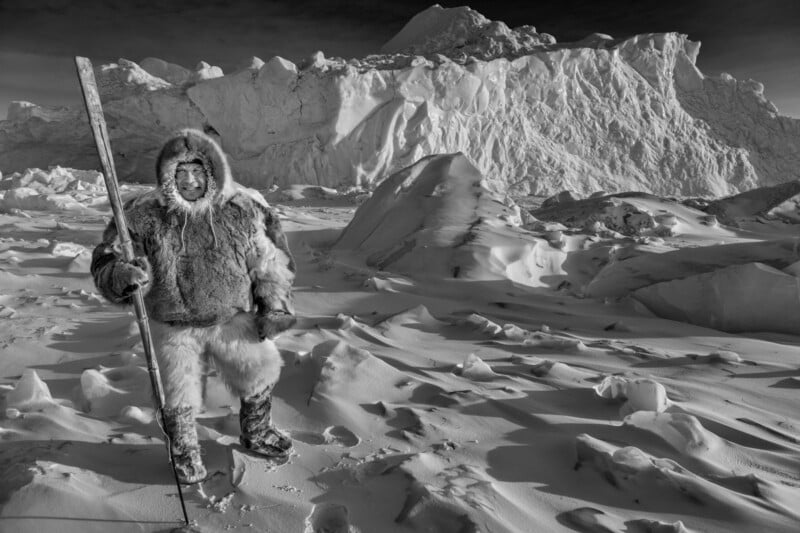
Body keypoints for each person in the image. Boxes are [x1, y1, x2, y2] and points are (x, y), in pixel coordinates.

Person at [91, 128, 296, 484]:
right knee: (178, 391)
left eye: (197, 171)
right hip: (172, 325)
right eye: (180, 173)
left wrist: (273, 307)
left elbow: (270, 263)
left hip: (229, 317)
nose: (189, 180)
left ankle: (257, 431)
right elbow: (108, 259)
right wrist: (120, 275)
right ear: (167, 176)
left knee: (259, 372)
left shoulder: (242, 211)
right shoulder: (142, 215)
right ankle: (184, 450)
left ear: (213, 173)